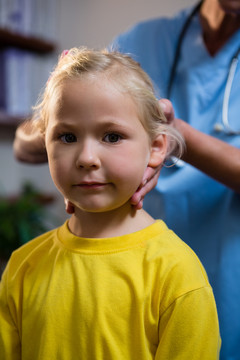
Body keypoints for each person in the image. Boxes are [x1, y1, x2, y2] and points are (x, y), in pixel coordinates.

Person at [12, 0, 239, 357]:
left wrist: (177, 134)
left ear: (156, 148)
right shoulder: (23, 266)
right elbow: (30, 138)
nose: (88, 159)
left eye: (112, 137)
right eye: (68, 138)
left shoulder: (179, 274)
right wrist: (64, 96)